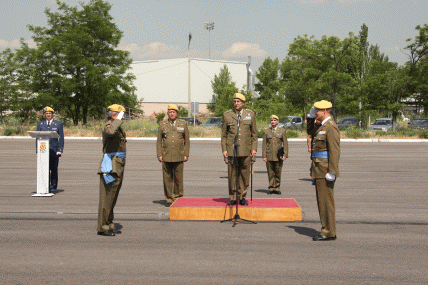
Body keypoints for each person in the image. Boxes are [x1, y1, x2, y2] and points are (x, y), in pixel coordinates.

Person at [307, 100, 340, 241]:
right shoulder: (321, 126)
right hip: (318, 169)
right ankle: (327, 229)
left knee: (326, 202)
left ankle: (328, 232)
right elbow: (310, 131)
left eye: (317, 111)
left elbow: (335, 151)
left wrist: (332, 171)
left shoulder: (330, 127)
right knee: (322, 201)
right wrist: (309, 118)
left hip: (325, 169)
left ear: (325, 111)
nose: (316, 114)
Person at [221, 93, 257, 206]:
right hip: (232, 150)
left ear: (243, 103)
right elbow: (224, 135)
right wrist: (224, 150)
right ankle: (233, 196)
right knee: (232, 175)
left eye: (238, 101)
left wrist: (254, 149)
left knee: (244, 175)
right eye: (235, 101)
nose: (236, 103)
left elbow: (254, 135)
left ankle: (242, 196)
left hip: (246, 150)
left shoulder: (250, 114)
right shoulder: (227, 115)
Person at [97, 104, 127, 237]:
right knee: (106, 198)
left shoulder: (118, 128)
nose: (124, 117)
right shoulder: (109, 126)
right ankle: (103, 227)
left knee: (112, 198)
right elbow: (110, 133)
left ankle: (109, 223)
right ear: (114, 115)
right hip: (110, 166)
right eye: (121, 115)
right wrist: (118, 120)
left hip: (117, 166)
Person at [156, 104, 190, 206]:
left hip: (179, 155)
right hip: (166, 155)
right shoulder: (162, 124)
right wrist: (159, 154)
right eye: (170, 112)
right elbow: (159, 141)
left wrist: (186, 154)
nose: (172, 114)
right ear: (168, 113)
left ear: (177, 113)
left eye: (174, 112)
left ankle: (178, 198)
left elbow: (187, 141)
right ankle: (169, 199)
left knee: (179, 179)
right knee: (167, 179)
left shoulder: (183, 124)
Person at [36, 106, 64, 193]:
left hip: (54, 150)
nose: (48, 115)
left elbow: (61, 138)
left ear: (52, 114)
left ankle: (53, 187)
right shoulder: (40, 124)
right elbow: (37, 137)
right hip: (44, 150)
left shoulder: (58, 124)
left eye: (49, 113)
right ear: (45, 114)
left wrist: (60, 149)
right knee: (44, 169)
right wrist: (37, 150)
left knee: (54, 169)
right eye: (46, 113)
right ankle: (46, 186)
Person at [262, 115, 288, 195]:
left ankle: (277, 187)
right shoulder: (267, 131)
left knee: (277, 172)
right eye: (271, 120)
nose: (273, 121)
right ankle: (271, 187)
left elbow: (285, 143)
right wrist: (264, 155)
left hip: (278, 155)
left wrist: (285, 154)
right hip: (269, 155)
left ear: (277, 121)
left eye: (275, 120)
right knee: (270, 173)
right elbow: (264, 144)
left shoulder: (282, 131)